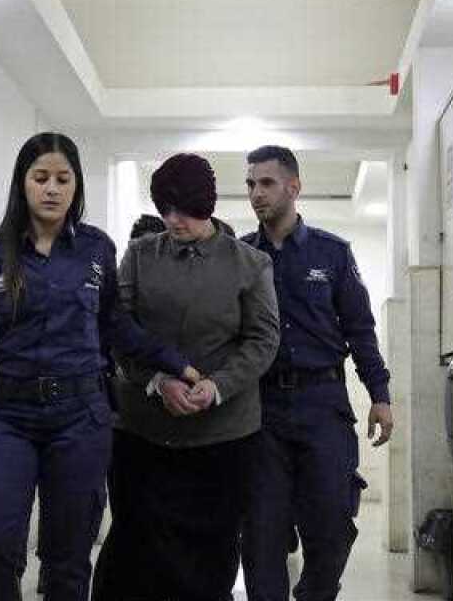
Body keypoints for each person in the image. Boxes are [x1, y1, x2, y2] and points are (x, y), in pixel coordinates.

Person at [0, 133, 200, 601]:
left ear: (76, 186)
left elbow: (115, 325)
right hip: (7, 417)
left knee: (67, 559)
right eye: (41, 178)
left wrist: (175, 363)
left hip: (81, 417)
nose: (51, 189)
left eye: (62, 179)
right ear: (22, 183)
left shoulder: (97, 250)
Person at [93, 153, 280, 601]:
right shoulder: (140, 256)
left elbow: (262, 340)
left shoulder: (250, 263)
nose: (173, 220)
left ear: (206, 205)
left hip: (223, 436)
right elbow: (117, 329)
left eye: (184, 211)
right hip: (144, 432)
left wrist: (217, 387)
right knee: (135, 549)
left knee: (210, 556)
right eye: (165, 210)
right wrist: (157, 381)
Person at [239, 145, 395, 601]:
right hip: (261, 411)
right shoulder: (241, 256)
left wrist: (380, 394)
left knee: (331, 528)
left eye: (267, 183)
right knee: (261, 535)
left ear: (294, 187)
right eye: (250, 184)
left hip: (322, 406)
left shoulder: (332, 253)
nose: (256, 193)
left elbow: (360, 329)